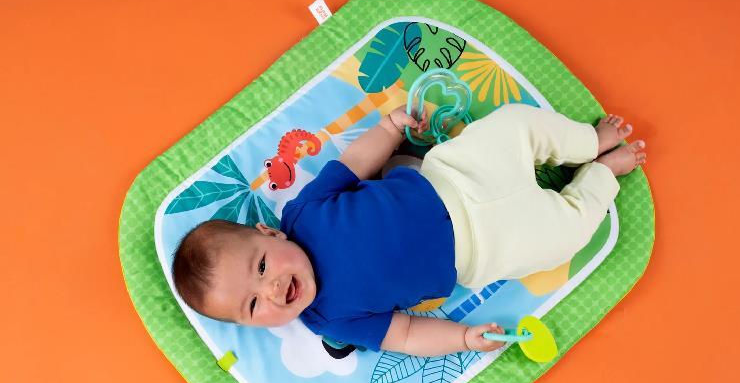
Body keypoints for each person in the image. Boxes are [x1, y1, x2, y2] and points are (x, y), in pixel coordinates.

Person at [172, 103, 646, 356]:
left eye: (260, 267)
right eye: (253, 305)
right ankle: (601, 177)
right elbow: (404, 335)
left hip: (455, 175)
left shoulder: (304, 213)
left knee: (514, 123)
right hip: (484, 247)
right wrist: (462, 339)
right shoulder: (331, 319)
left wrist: (389, 129)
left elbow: (353, 164)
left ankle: (586, 142)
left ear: (271, 234)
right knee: (563, 237)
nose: (273, 290)